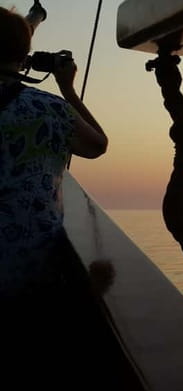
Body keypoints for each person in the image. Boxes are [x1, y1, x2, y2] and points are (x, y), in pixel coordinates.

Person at [0, 6, 107, 300]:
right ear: (23, 58)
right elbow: (97, 144)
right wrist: (67, 89)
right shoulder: (49, 108)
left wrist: (32, 21)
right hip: (28, 275)